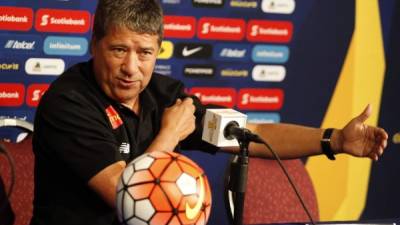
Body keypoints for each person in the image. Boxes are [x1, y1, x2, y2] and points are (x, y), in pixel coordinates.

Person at [30, 0, 388, 225]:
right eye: (119, 50)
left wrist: (334, 140)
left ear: (158, 51)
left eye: (145, 53)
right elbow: (126, 196)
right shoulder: (68, 101)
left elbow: (250, 133)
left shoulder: (166, 96)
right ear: (94, 45)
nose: (131, 68)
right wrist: (170, 135)